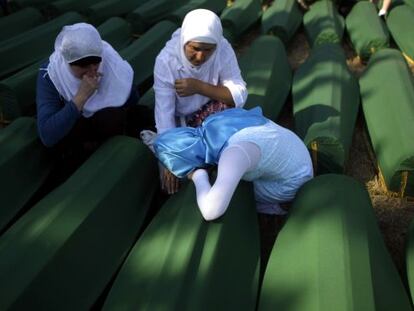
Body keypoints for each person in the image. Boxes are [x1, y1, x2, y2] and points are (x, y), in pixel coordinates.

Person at [153, 107, 314, 220]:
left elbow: (211, 211)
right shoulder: (213, 123)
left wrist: (197, 175)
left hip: (293, 183)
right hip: (296, 155)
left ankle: (275, 210)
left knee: (228, 188)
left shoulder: (233, 154)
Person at [152, 9, 248, 194]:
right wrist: (167, 157)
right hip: (181, 122)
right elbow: (164, 116)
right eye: (195, 48)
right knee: (174, 175)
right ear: (184, 41)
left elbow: (239, 94)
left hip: (214, 113)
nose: (201, 57)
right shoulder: (166, 61)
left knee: (230, 154)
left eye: (207, 50)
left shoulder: (222, 48)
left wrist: (199, 87)